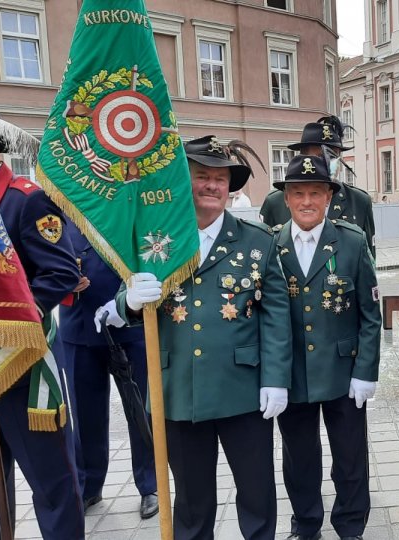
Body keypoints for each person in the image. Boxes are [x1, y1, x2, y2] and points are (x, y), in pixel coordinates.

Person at [114, 135, 292, 540]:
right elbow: (122, 303)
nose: (212, 186)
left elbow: (277, 317)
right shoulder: (153, 240)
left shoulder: (257, 241)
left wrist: (276, 378)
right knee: (192, 502)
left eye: (220, 179)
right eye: (202, 176)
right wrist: (130, 300)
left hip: (243, 390)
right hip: (179, 389)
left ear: (230, 188)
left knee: (257, 493)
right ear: (184, 181)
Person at [0, 97, 84, 538]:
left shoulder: (24, 200)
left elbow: (62, 272)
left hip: (22, 368)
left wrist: (8, 321)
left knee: (52, 482)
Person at [271, 154, 382, 540]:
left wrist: (366, 371)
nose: (306, 201)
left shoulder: (350, 243)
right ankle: (305, 524)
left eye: (315, 192)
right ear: (286, 199)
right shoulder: (272, 246)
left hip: (343, 373)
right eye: (297, 193)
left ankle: (351, 525)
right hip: (294, 375)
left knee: (350, 459)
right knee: (299, 459)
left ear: (329, 197)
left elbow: (370, 313)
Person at [58, 229, 158, 518]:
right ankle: (89, 486)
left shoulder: (128, 210)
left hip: (132, 326)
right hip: (78, 326)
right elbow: (40, 263)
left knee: (142, 411)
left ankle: (150, 485)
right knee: (84, 413)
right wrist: (63, 283)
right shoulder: (60, 212)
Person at [260, 115, 376, 256]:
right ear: (304, 158)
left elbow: (369, 258)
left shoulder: (359, 201)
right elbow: (264, 255)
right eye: (321, 156)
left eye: (334, 157)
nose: (329, 162)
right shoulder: (275, 202)